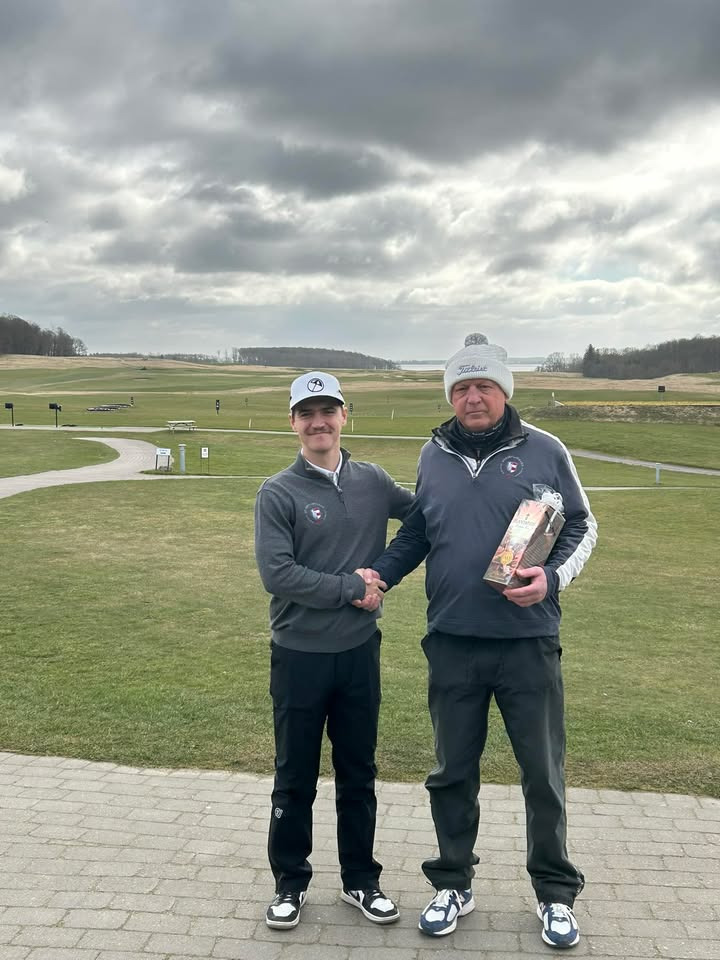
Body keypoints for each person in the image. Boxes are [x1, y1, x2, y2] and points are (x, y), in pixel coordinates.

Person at [360, 335, 597, 949]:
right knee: (451, 772)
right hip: (452, 641)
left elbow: (581, 523)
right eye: (461, 387)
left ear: (503, 391)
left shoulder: (545, 449)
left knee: (542, 774)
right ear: (450, 394)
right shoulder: (432, 453)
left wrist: (551, 577)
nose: (472, 398)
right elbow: (418, 530)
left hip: (527, 642)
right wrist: (379, 574)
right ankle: (453, 883)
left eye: (483, 386)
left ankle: (554, 893)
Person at [254, 370, 414, 931]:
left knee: (358, 773)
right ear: (293, 422)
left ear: (346, 415)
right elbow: (279, 574)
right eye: (307, 412)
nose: (318, 422)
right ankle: (289, 883)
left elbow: (424, 519)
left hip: (357, 656)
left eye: (328, 410)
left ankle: (360, 881)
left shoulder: (373, 480)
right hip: (298, 655)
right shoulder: (278, 491)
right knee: (294, 775)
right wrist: (355, 587)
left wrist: (387, 575)